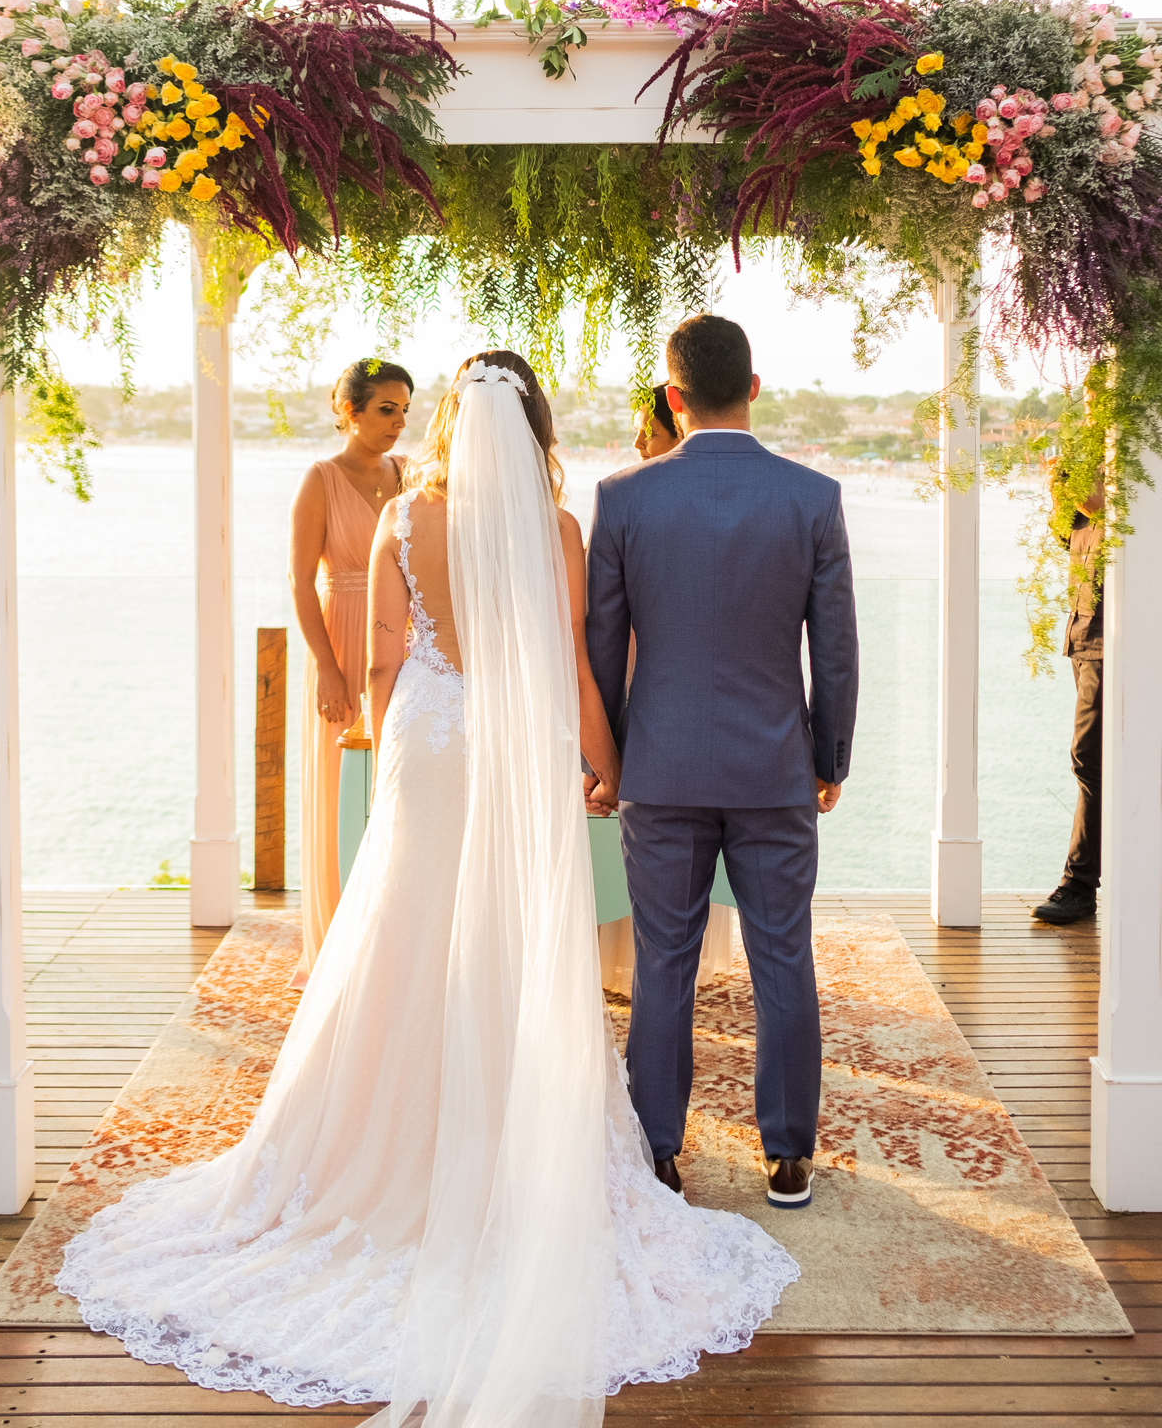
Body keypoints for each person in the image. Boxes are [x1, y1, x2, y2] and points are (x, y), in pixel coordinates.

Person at [59, 347, 798, 1424]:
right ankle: (507, 1158)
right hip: (515, 745)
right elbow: (578, 667)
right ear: (536, 427)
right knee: (509, 940)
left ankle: (358, 1155)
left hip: (428, 739)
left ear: (451, 421)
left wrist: (376, 734)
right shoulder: (556, 531)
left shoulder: (409, 516)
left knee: (398, 931)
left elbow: (390, 653)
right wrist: (611, 767)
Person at [586, 314, 859, 1211]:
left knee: (665, 959)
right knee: (784, 955)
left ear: (673, 395)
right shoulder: (812, 498)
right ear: (753, 386)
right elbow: (838, 651)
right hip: (775, 768)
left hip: (659, 772)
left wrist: (611, 761)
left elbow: (602, 646)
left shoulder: (623, 497)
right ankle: (787, 1158)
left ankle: (660, 1153)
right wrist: (830, 756)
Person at [599, 383, 736, 994]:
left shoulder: (622, 499)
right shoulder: (786, 497)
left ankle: (654, 971)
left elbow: (599, 629)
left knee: (660, 895)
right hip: (723, 730)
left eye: (646, 431)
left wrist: (596, 755)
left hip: (652, 711)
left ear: (677, 424)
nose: (637, 443)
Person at [287, 359, 412, 983]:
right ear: (351, 411)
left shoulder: (411, 476)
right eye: (386, 409)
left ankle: (392, 938)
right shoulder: (321, 479)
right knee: (345, 792)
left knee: (398, 788)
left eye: (404, 411)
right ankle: (341, 946)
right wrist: (328, 670)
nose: (397, 423)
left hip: (405, 648)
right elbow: (300, 581)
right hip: (342, 637)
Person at [1032, 467, 1105, 926]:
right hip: (1084, 635)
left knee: (1089, 757)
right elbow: (1073, 547)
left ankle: (1080, 885)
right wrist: (1063, 508)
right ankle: (1083, 882)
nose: (1091, 393)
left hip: (1111, 641)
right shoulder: (1092, 464)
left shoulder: (1131, 467)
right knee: (1092, 761)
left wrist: (1103, 512)